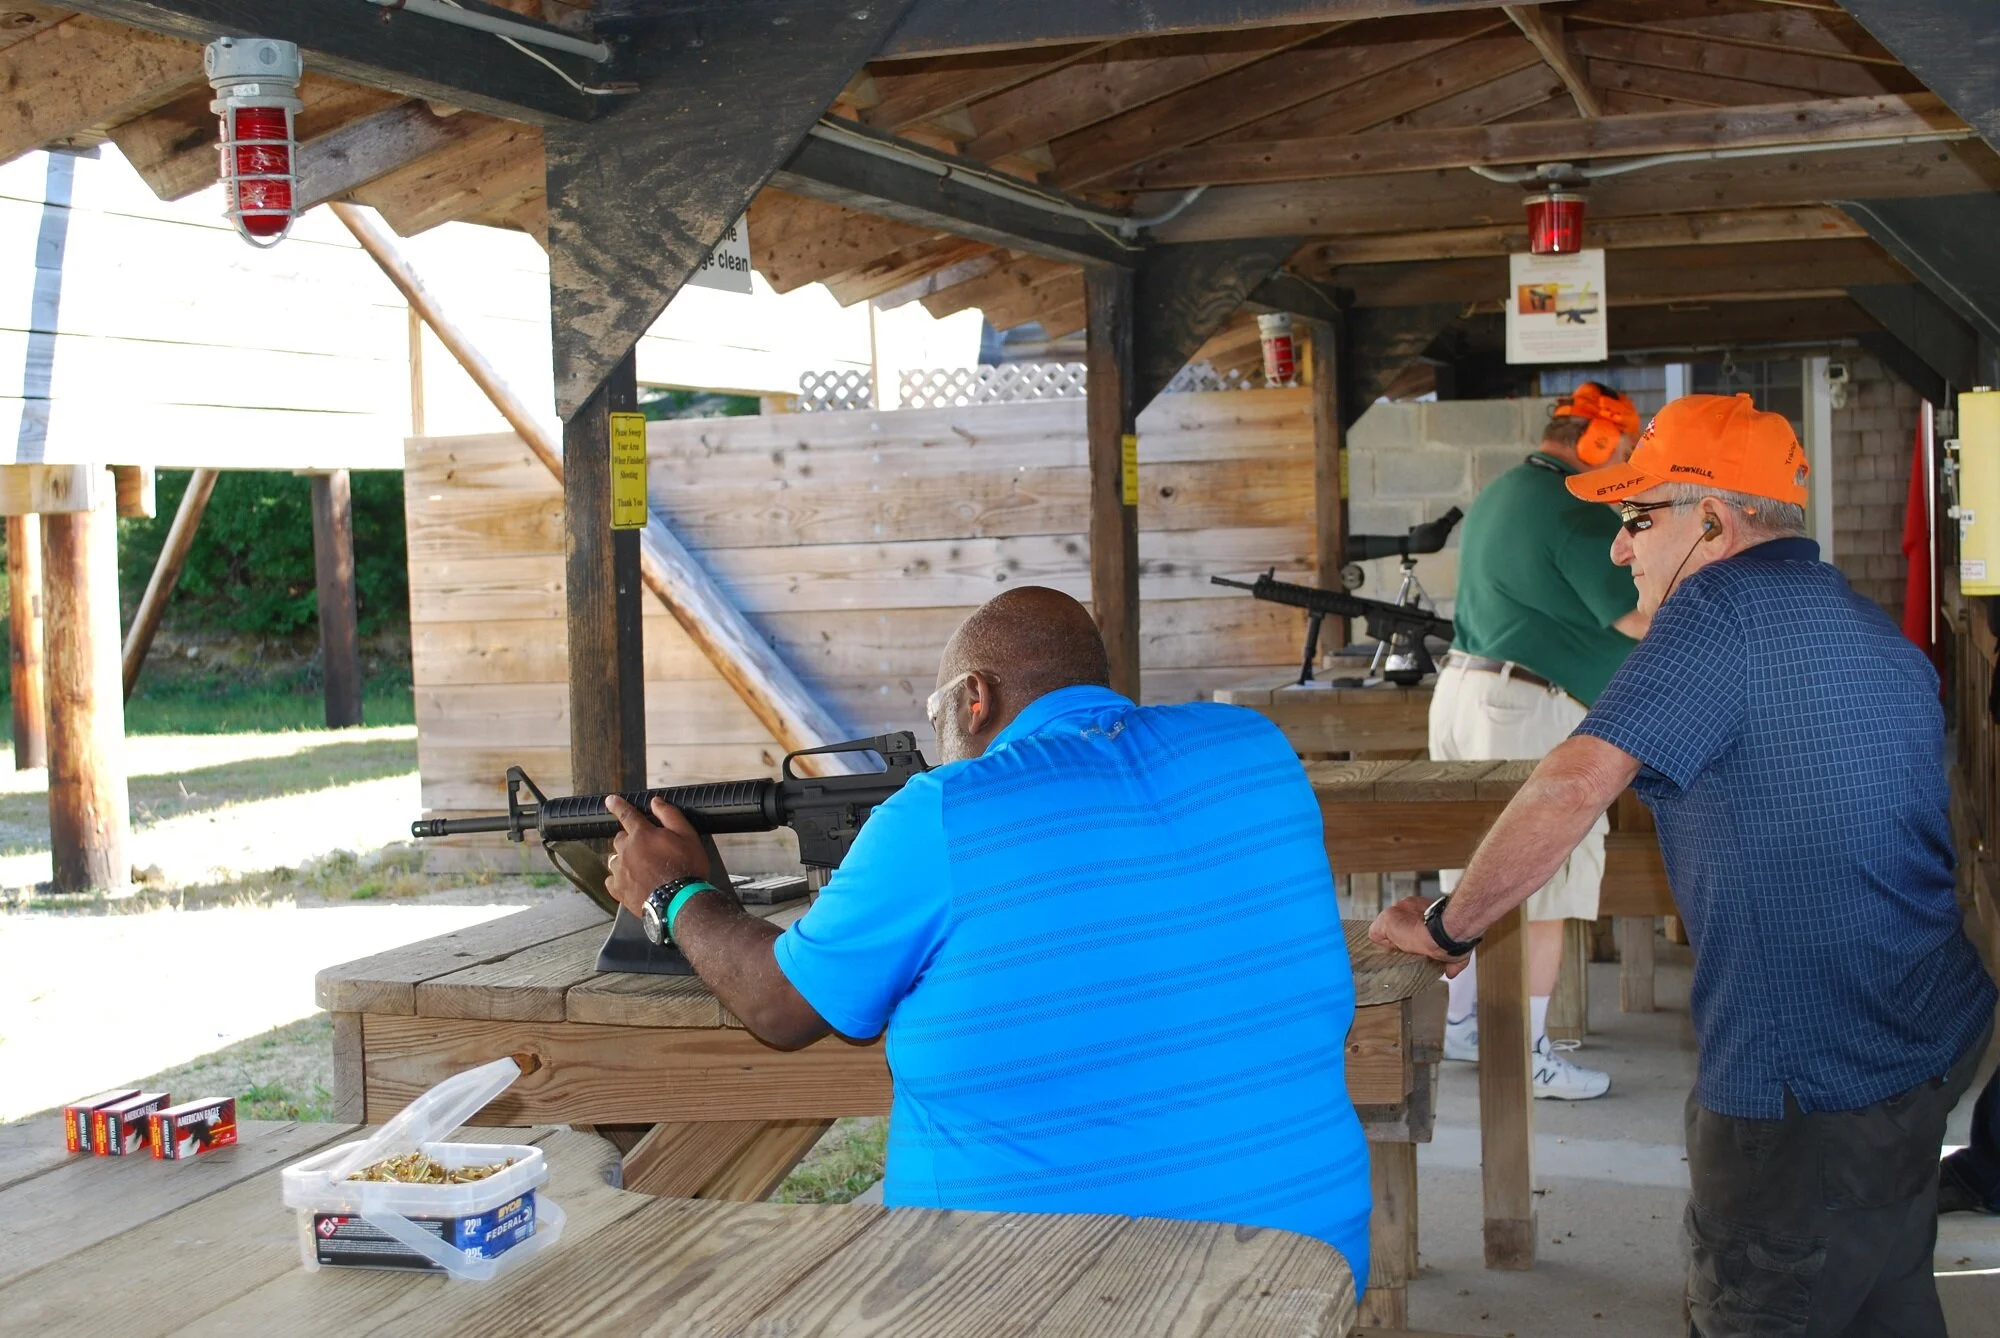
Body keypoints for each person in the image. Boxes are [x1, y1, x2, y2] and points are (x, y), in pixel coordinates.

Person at [1372, 392, 1995, 1337]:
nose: (1621, 547)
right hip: (1926, 1044)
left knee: (1765, 1308)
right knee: (1885, 1297)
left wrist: (1451, 924)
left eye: (1635, 518)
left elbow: (1574, 781)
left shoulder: (1716, 611)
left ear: (1712, 518)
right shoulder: (1878, 635)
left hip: (1801, 1084)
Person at [603, 586, 1375, 1279]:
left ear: (975, 698)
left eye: (938, 715)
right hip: (1304, 1266)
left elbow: (780, 1007)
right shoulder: (1255, 747)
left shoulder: (943, 809)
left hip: (1030, 1285)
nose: (940, 743)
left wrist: (672, 892)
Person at [1431, 380, 1647, 1100]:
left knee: (1475, 871)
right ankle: (1524, 1053)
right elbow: (1633, 619)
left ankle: (1464, 1025)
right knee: (1543, 875)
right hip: (1526, 705)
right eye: (1621, 447)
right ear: (1595, 443)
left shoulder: (1505, 490)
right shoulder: (1573, 508)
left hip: (1468, 692)